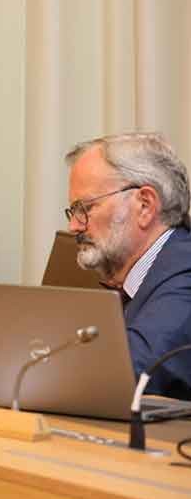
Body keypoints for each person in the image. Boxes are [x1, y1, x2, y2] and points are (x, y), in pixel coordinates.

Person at [65, 133, 191, 399]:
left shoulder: (185, 270)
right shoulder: (138, 276)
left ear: (145, 206)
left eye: (85, 207)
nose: (74, 225)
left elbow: (131, 373)